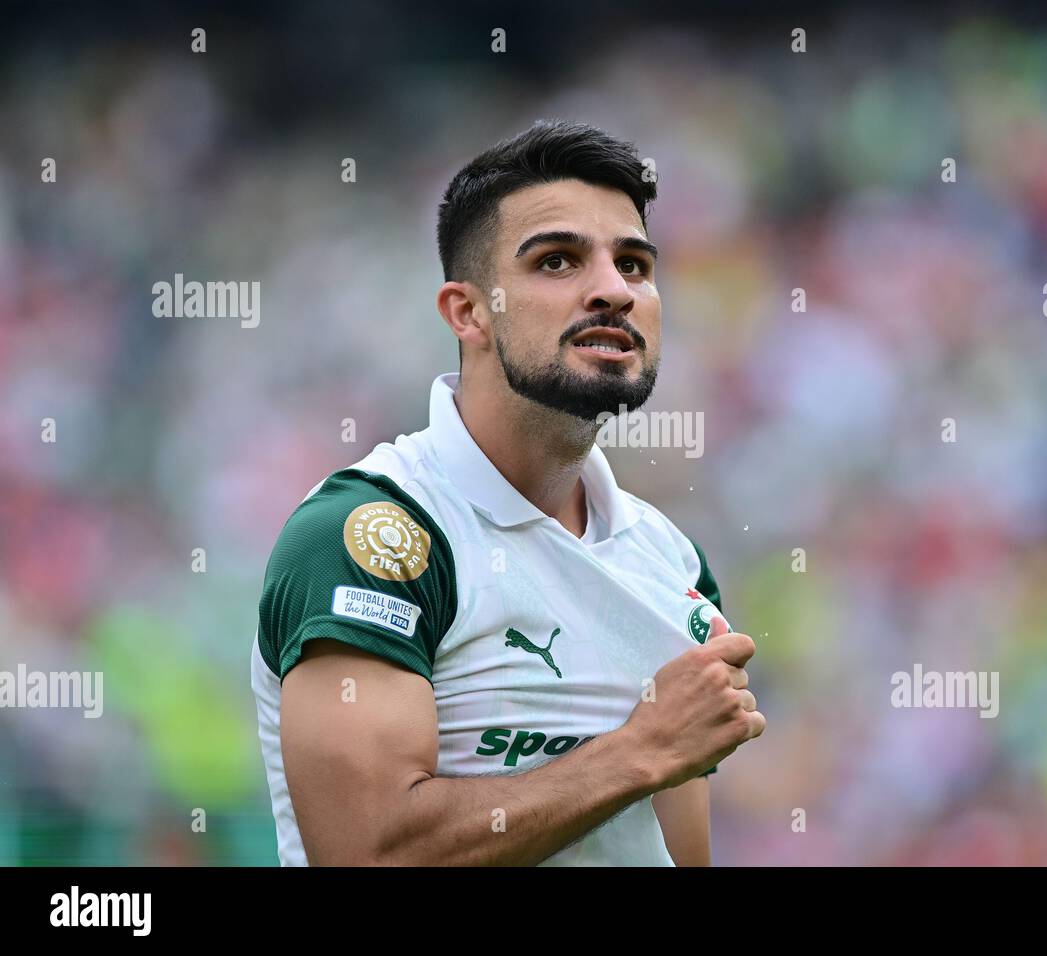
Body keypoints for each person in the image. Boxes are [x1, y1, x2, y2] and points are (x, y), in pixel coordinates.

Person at [251, 120, 764, 865]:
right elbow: (370, 853)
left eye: (635, 265)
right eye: (557, 261)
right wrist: (637, 753)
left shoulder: (673, 564)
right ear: (468, 312)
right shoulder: (370, 535)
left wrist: (653, 757)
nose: (613, 291)